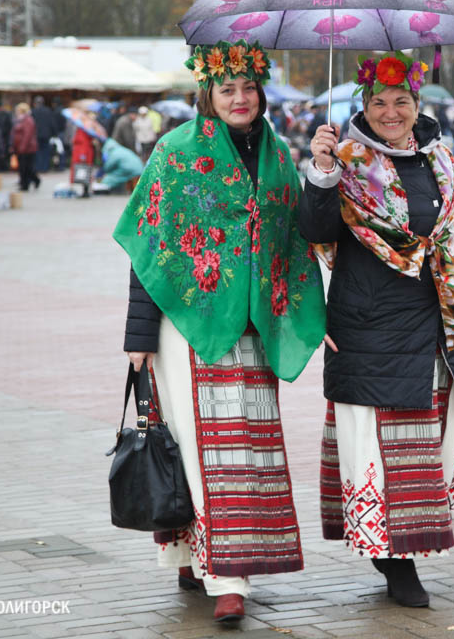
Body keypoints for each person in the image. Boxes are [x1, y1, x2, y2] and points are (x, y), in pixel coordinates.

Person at [115, 39, 325, 625]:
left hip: (257, 326)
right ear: (206, 93)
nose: (239, 98)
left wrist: (315, 316)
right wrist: (138, 337)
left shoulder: (280, 156)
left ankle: (224, 568)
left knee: (244, 450)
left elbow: (295, 241)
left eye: (248, 88)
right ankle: (206, 563)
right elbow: (149, 251)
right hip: (186, 327)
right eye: (226, 88)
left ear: (261, 92)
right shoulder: (175, 152)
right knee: (190, 442)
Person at [301, 50, 454, 608]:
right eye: (378, 102)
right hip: (369, 321)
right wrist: (323, 173)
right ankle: (394, 559)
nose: (390, 111)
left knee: (424, 446)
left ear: (417, 103)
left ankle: (406, 548)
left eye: (401, 100)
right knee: (380, 447)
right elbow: (314, 230)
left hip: (433, 322)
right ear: (364, 105)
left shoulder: (441, 160)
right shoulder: (345, 159)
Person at [11, 102, 39, 191]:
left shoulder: (27, 120)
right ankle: (25, 182)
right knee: (23, 167)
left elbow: (27, 135)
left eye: (18, 110)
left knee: (26, 167)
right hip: (20, 147)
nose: (16, 112)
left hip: (27, 148)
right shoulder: (19, 120)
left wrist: (23, 146)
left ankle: (28, 183)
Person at [31, 95, 57, 173]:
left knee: (38, 151)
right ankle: (44, 167)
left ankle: (38, 167)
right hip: (46, 134)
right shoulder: (48, 111)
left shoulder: (33, 111)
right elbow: (52, 123)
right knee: (45, 151)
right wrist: (54, 133)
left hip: (36, 134)